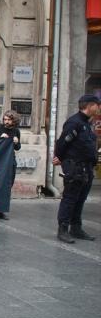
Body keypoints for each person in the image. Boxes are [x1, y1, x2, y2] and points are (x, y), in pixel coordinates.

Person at [53, 94, 99, 243]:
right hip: (75, 167)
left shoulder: (86, 123)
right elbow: (62, 143)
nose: (98, 108)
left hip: (86, 167)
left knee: (80, 199)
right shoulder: (75, 123)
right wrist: (59, 157)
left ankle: (76, 228)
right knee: (70, 198)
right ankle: (63, 229)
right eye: (97, 105)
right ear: (90, 105)